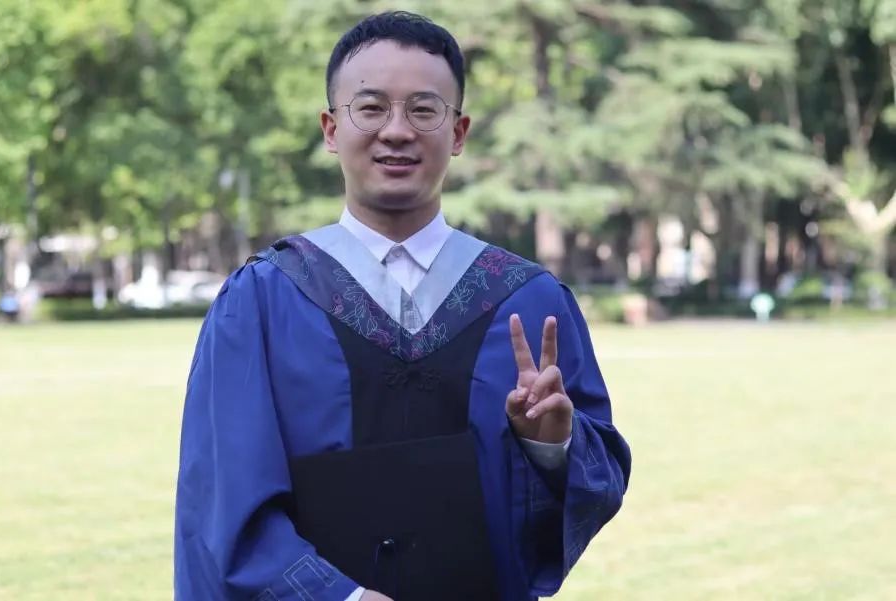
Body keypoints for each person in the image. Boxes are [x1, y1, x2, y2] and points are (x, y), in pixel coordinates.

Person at [174, 11, 631, 601]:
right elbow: (224, 498)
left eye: (423, 110)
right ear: (331, 129)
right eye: (369, 108)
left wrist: (551, 447)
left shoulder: (527, 300)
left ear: (458, 133)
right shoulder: (264, 300)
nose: (396, 131)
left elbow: (598, 479)